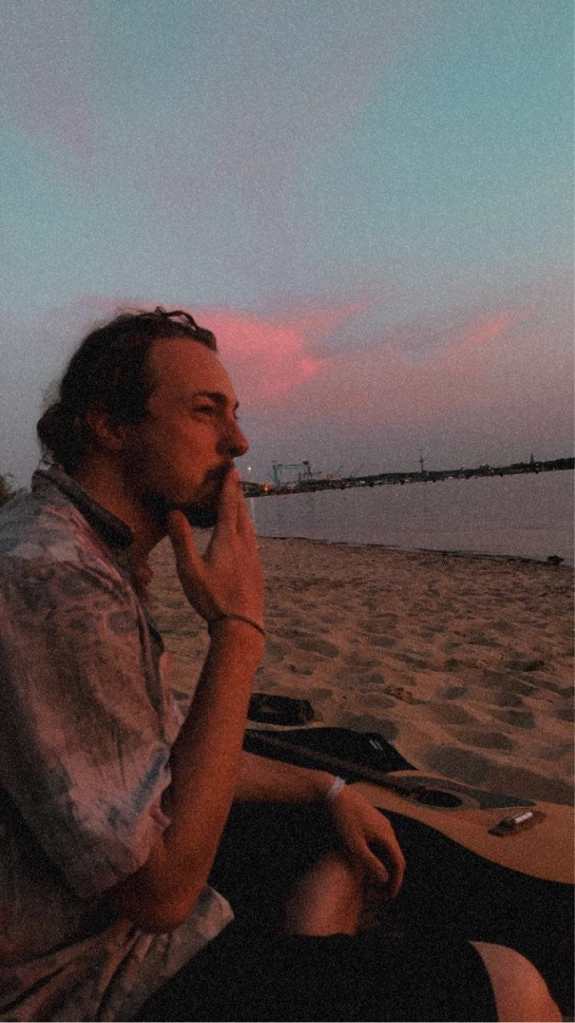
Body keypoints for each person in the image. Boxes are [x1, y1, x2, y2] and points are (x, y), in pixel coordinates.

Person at [0, 307, 561, 1022]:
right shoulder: (52, 580)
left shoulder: (86, 551)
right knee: (510, 986)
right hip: (86, 982)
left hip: (118, 933)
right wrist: (237, 630)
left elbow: (163, 753)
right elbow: (162, 896)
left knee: (346, 839)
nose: (237, 441)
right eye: (206, 412)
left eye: (234, 413)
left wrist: (326, 788)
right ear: (108, 424)